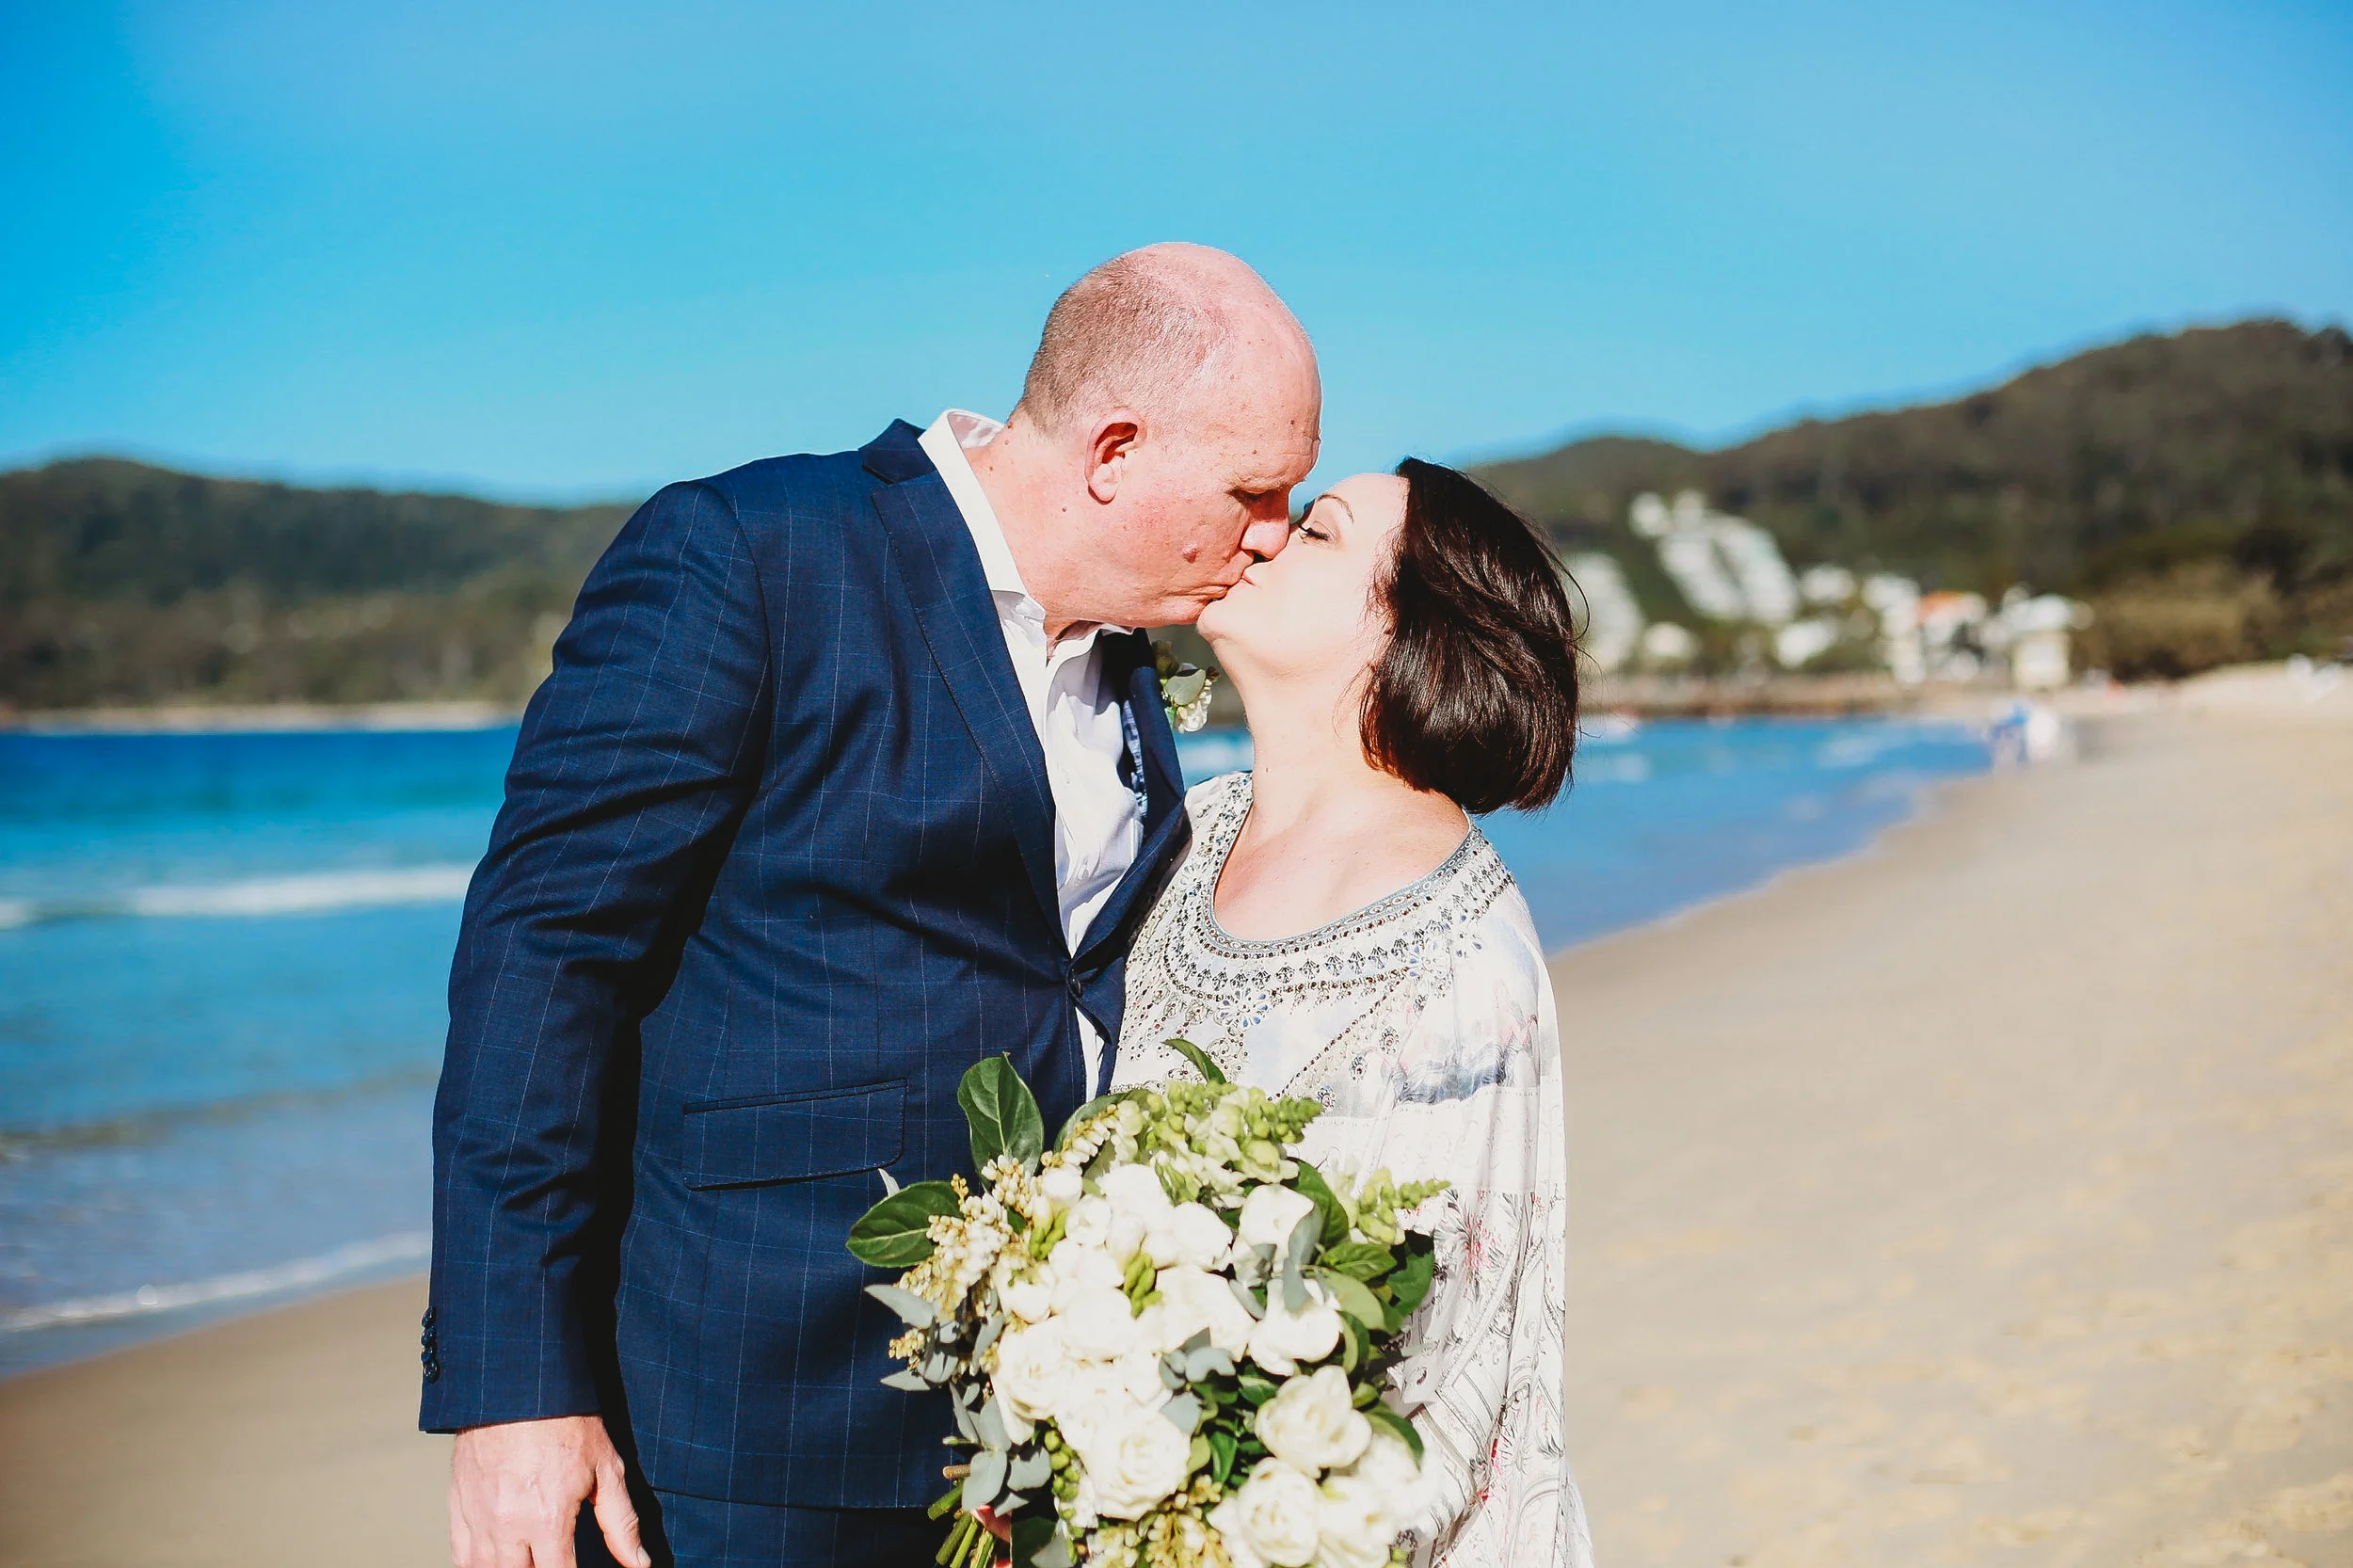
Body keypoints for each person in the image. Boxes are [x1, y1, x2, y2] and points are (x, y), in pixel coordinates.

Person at [423, 244, 1321, 1568]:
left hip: (1035, 1437)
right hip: (739, 1429)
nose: (1275, 532)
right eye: (1256, 488)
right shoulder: (754, 554)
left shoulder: (1135, 660)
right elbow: (545, 959)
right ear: (1115, 450)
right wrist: (513, 1391)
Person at [1113, 459, 1594, 1566]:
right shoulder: (1182, 835)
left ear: (1404, 634)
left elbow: (1450, 1376)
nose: (1265, 537)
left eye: (1318, 532)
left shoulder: (1466, 954)